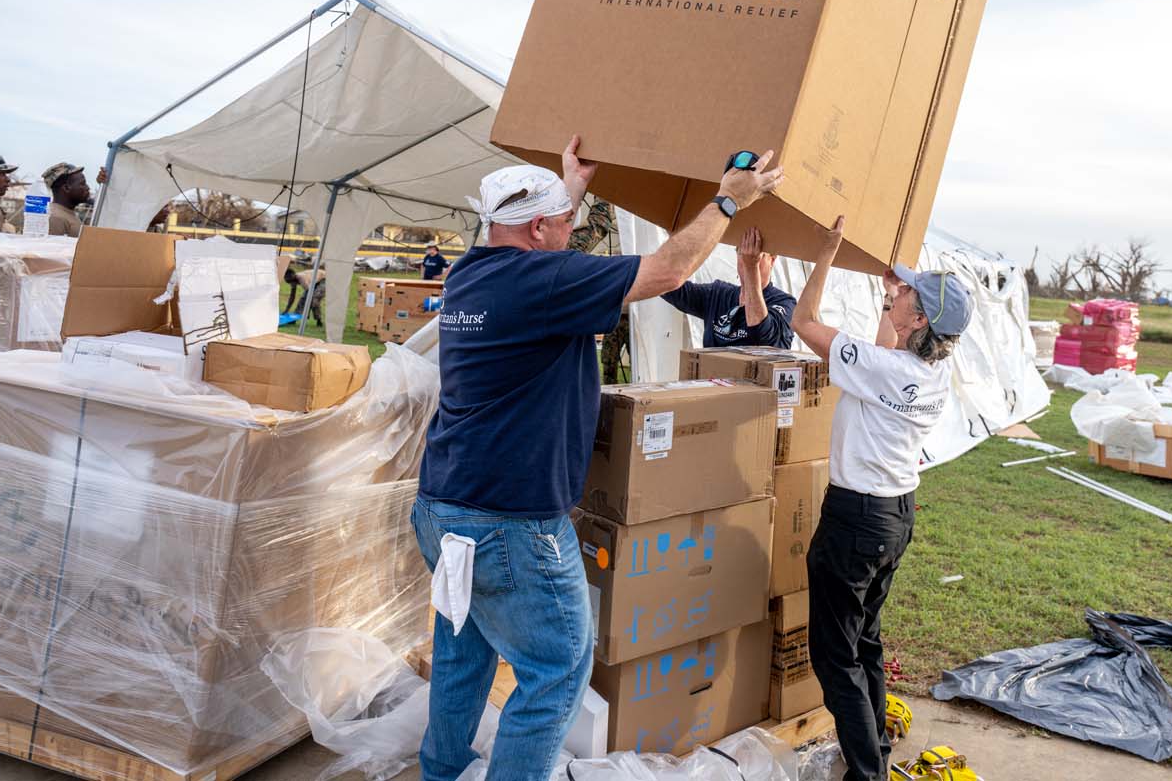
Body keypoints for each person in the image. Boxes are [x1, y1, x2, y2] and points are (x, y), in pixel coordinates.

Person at [411, 135, 783, 781]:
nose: (571, 230)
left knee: (463, 649)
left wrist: (569, 189)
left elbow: (539, 238)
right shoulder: (542, 279)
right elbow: (666, 271)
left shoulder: (473, 270)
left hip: (444, 507)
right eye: (563, 223)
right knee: (555, 671)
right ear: (534, 230)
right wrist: (726, 201)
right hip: (512, 523)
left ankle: (439, 771)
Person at [790, 217, 972, 781]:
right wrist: (893, 296)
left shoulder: (883, 368)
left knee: (834, 656)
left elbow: (804, 322)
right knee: (864, 640)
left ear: (919, 319)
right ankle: (876, 760)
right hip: (895, 516)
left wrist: (825, 254)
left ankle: (867, 773)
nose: (900, 292)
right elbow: (885, 351)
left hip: (856, 520)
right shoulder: (931, 369)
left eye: (908, 295)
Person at [661, 227, 796, 348]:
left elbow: (761, 336)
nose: (747, 258)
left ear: (772, 260)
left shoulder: (785, 303)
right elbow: (669, 287)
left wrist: (751, 267)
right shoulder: (718, 294)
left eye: (757, 255)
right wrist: (677, 245)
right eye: (742, 252)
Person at [41, 163, 92, 237]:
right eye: (82, 184)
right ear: (66, 188)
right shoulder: (56, 218)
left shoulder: (66, 214)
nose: (87, 188)